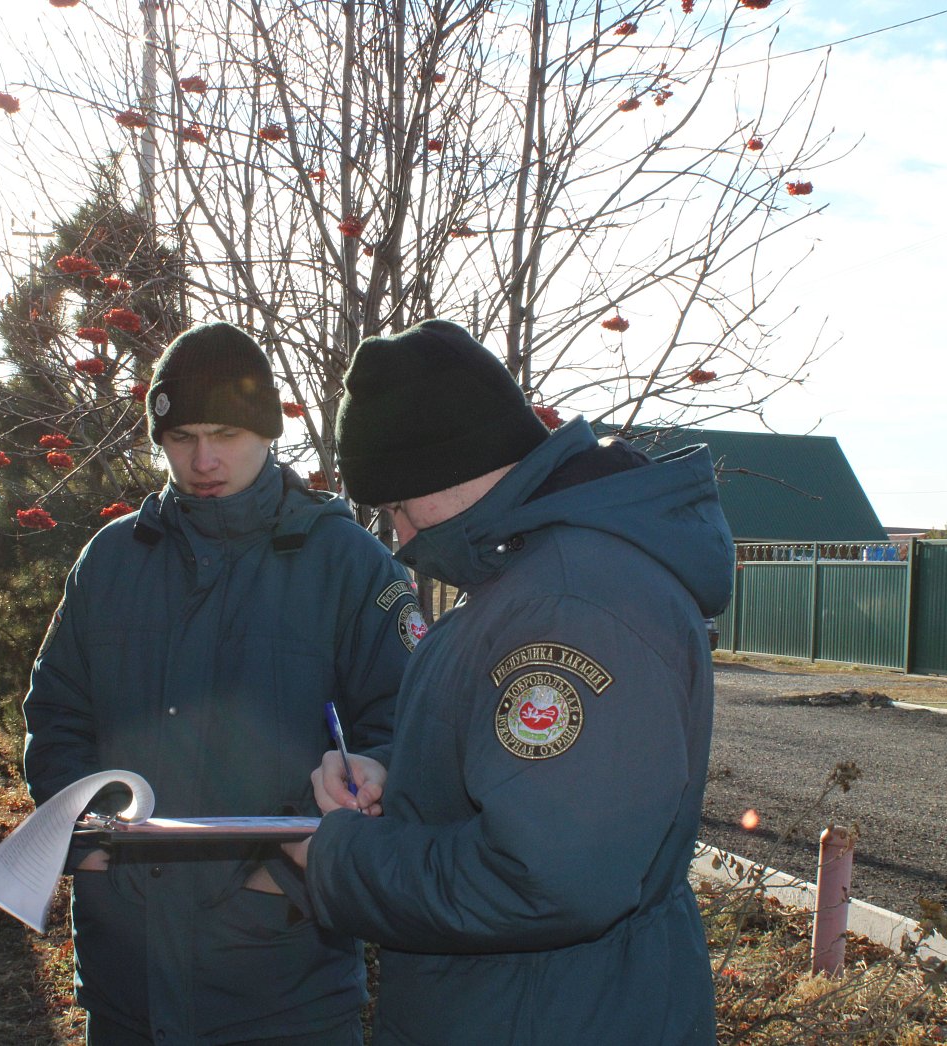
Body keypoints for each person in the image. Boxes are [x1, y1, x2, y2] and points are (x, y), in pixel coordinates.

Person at [285, 319, 734, 1044]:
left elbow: (545, 878)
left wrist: (341, 860)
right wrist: (398, 778)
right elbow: (528, 778)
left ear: (448, 468)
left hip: (548, 1013)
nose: (399, 537)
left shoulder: (568, 603)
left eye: (397, 507)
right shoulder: (528, 573)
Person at [23, 321, 420, 1045]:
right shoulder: (111, 561)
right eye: (181, 439)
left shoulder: (347, 564)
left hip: (284, 980)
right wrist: (89, 838)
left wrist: (289, 884)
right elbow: (56, 715)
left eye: (226, 434)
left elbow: (405, 734)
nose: (203, 459)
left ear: (268, 431)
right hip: (127, 974)